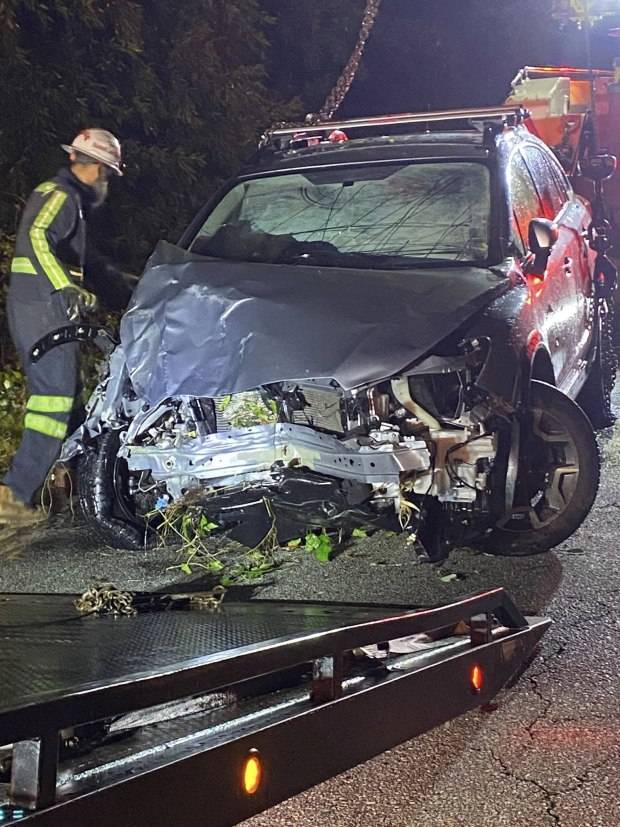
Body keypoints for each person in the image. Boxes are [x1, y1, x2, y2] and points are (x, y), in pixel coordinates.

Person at [0, 129, 126, 525]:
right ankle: (12, 498)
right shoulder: (62, 196)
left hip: (39, 306)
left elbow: (90, 262)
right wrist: (65, 287)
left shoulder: (61, 198)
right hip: (44, 307)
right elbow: (38, 237)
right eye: (107, 174)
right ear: (98, 169)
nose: (106, 183)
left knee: (68, 395)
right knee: (52, 401)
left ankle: (66, 478)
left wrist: (126, 286)